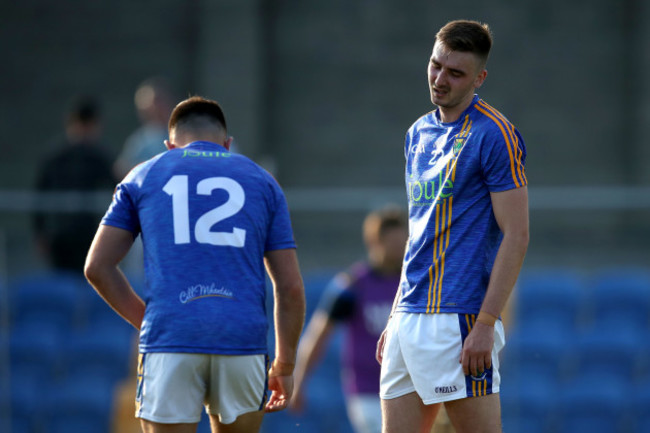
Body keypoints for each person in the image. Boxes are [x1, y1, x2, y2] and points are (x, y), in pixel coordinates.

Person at [84, 96, 306, 433]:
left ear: (170, 144)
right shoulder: (263, 182)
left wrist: (146, 320)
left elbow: (97, 267)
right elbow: (289, 287)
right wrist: (286, 364)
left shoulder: (144, 174)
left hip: (171, 339)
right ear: (228, 144)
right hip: (241, 342)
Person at [376, 20, 529, 433]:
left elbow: (517, 234)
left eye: (455, 73)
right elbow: (419, 233)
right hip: (408, 316)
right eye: (435, 65)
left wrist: (485, 324)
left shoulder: (495, 134)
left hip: (458, 319)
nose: (440, 79)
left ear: (479, 78)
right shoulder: (417, 133)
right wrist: (395, 316)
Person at [290, 206, 407, 433]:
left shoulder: (414, 284)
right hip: (366, 391)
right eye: (392, 242)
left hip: (409, 386)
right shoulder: (352, 285)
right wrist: (299, 382)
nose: (398, 248)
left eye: (401, 241)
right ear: (375, 242)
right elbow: (318, 334)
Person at [34, 95, 117, 271]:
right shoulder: (92, 157)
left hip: (74, 235)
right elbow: (40, 197)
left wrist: (40, 233)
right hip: (71, 237)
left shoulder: (57, 156)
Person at [113, 77, 175, 178]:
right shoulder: (140, 140)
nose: (156, 108)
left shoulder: (182, 133)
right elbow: (122, 168)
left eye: (159, 101)